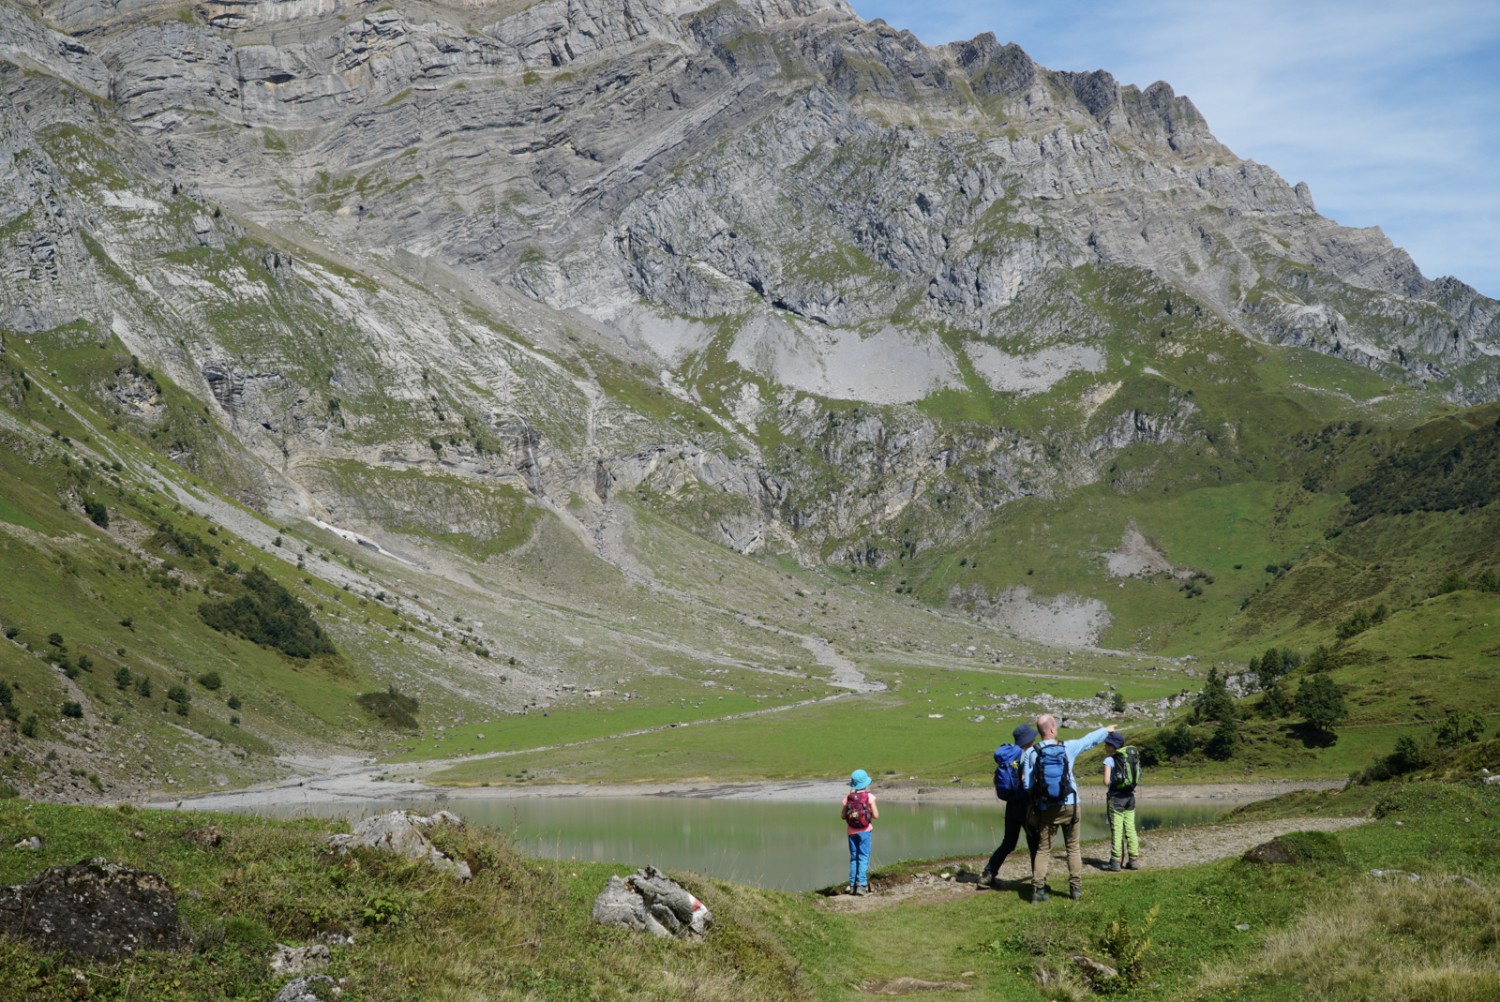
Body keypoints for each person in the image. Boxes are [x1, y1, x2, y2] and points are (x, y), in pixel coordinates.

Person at [1021, 714, 1115, 902]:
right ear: (1053, 729)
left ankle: (1038, 890)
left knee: (1043, 849)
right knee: (1073, 847)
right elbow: (1088, 741)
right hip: (1071, 804)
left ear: (1040, 732)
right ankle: (1075, 889)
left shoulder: (1030, 753)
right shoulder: (1067, 747)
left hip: (1047, 808)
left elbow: (1027, 785)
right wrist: (1106, 730)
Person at [980, 723, 1039, 887]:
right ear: (1028, 740)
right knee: (1034, 842)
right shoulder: (1028, 755)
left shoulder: (1007, 757)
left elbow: (995, 780)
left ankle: (987, 875)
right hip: (1027, 806)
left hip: (1011, 805)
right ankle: (1038, 882)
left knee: (1008, 843)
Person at [1103, 730, 1141, 871]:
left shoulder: (1109, 760)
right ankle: (1133, 860)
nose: (1105, 746)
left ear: (1112, 746)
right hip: (1130, 797)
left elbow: (1106, 781)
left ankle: (1115, 861)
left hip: (1116, 798)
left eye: (1107, 744)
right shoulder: (1128, 758)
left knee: (1117, 829)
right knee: (1130, 828)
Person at [842, 768, 879, 895]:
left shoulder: (848, 798)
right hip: (865, 832)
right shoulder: (869, 797)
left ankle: (852, 885)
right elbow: (876, 815)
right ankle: (861, 886)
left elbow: (842, 816)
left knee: (854, 858)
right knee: (863, 858)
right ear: (866, 783)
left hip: (851, 833)